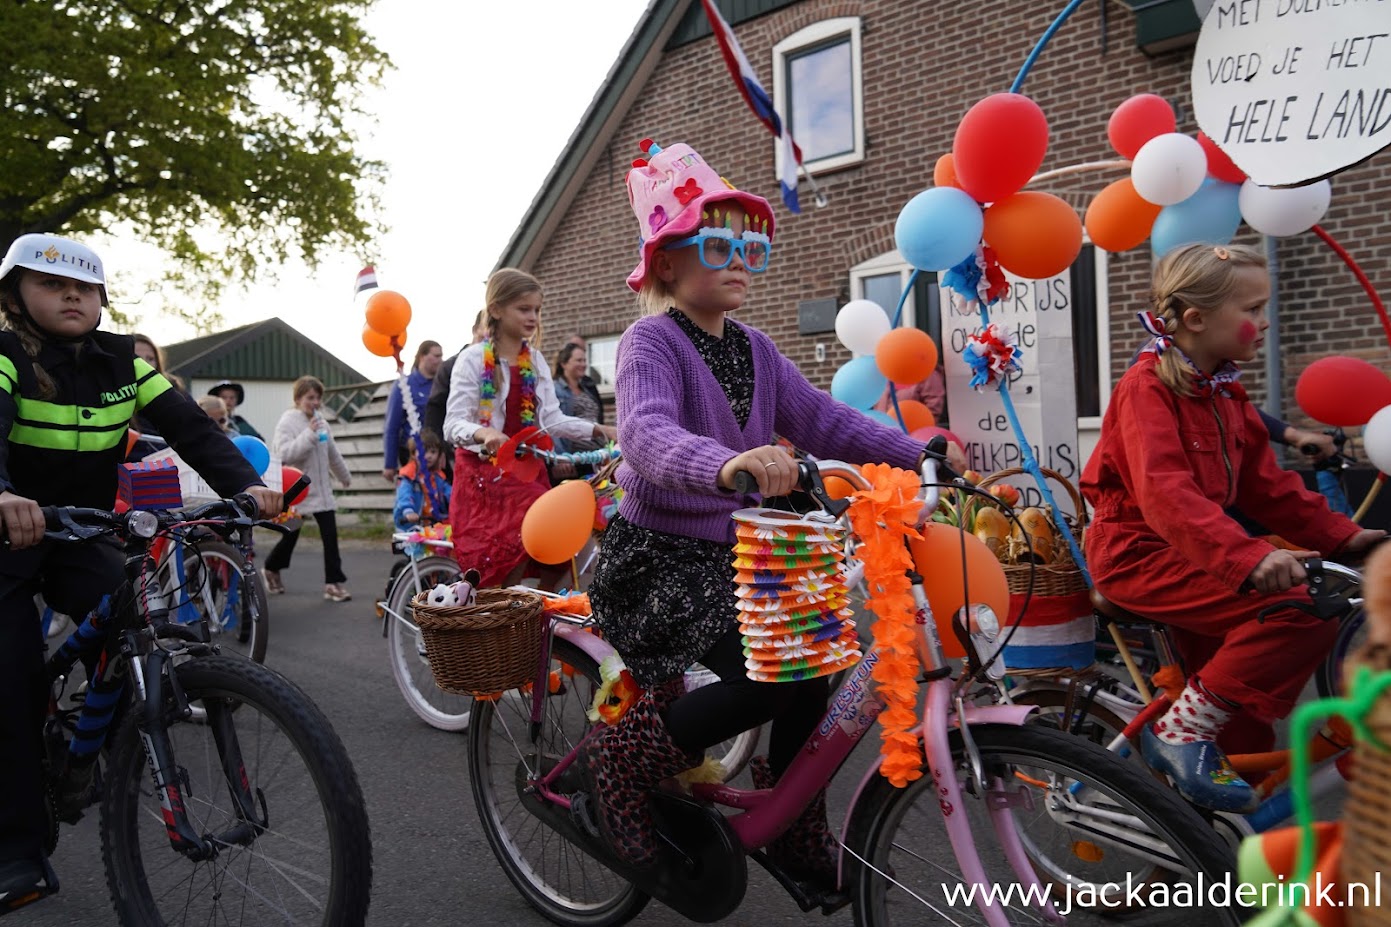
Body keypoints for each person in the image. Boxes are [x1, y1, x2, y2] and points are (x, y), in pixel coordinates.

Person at [574, 139, 946, 893]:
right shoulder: (652, 341)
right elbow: (644, 434)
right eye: (717, 242)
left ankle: (792, 817)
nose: (739, 256)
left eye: (750, 244)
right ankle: (617, 758)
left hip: (740, 560)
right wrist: (724, 462)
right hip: (657, 561)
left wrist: (919, 452)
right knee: (774, 677)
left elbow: (828, 422)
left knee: (822, 667)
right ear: (667, 265)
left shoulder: (758, 349)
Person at [0, 233, 282, 909]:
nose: (73, 295)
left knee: (131, 613)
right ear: (14, 298)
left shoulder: (124, 358)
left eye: (87, 287)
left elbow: (191, 427)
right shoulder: (5, 353)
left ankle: (113, 745)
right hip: (10, 531)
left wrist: (249, 485)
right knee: (10, 670)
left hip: (83, 530)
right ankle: (16, 845)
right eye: (52, 284)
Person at [1081, 243, 1385, 814]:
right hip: (1140, 554)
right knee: (1298, 604)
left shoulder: (1225, 392)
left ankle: (1213, 836)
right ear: (1196, 320)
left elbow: (1265, 487)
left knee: (1245, 721)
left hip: (1198, 550)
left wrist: (1344, 536)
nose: (1264, 322)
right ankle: (1180, 732)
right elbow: (1166, 495)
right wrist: (1247, 558)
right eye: (1253, 309)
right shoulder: (1147, 389)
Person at [442, 269, 615, 587]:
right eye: (524, 309)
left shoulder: (534, 361)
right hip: (484, 478)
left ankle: (532, 616)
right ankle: (502, 619)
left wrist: (602, 430)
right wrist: (486, 433)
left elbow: (552, 419)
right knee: (497, 569)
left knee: (559, 539)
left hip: (524, 475)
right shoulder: (472, 360)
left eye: (537, 309)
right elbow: (452, 424)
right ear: (496, 310)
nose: (533, 317)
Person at [264, 376, 354, 601]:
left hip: (321, 491)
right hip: (296, 490)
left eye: (318, 398)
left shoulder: (321, 421)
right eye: (309, 398)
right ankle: (271, 568)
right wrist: (309, 434)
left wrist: (344, 476)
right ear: (298, 399)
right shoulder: (288, 421)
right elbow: (284, 454)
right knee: (290, 534)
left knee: (330, 536)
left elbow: (332, 451)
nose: (314, 402)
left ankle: (333, 583)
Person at [382, 340, 443, 482]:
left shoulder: (442, 384)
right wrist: (389, 464)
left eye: (441, 356)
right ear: (422, 356)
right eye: (436, 356)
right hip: (411, 454)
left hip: (437, 454)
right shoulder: (404, 385)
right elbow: (392, 426)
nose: (440, 360)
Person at [393, 429, 452, 560]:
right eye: (424, 451)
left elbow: (450, 492)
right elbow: (404, 495)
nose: (429, 455)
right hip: (412, 525)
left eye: (433, 452)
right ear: (414, 453)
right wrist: (408, 511)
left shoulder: (437, 477)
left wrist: (459, 501)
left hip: (432, 523)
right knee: (417, 558)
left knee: (444, 550)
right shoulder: (409, 476)